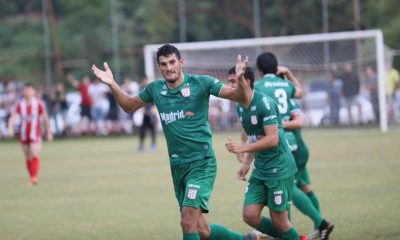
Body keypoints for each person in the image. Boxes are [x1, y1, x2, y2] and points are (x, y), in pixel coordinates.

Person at [92, 44, 260, 240]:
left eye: (172, 62)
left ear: (181, 62)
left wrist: (239, 80)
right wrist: (112, 84)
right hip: (178, 166)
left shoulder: (201, 83)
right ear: (159, 67)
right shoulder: (155, 89)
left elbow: (240, 96)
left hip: (201, 164)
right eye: (164, 64)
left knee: (187, 222)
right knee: (202, 231)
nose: (169, 68)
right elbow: (129, 106)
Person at [225, 67, 299, 240]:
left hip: (279, 168)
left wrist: (242, 148)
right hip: (261, 169)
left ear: (246, 82)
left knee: (279, 220)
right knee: (249, 215)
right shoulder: (240, 107)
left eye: (233, 81)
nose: (229, 85)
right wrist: (246, 163)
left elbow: (272, 139)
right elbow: (253, 136)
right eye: (228, 81)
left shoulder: (264, 103)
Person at [282, 98, 334, 240]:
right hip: (298, 148)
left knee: (288, 188)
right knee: (305, 187)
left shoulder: (271, 96)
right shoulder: (289, 94)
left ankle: (318, 223)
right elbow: (298, 90)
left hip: (293, 149)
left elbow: (299, 122)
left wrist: (281, 124)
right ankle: (319, 227)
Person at [7, 83, 53, 185]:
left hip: (35, 134)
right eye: (25, 90)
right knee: (28, 156)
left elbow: (45, 118)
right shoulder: (20, 104)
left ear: (33, 92)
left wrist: (49, 132)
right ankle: (32, 176)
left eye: (29, 89)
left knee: (34, 152)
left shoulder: (39, 103)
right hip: (23, 134)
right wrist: (10, 128)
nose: (27, 91)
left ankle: (34, 177)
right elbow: (13, 117)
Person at [137, 76, 158, 152]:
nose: (146, 81)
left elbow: (155, 102)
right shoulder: (141, 89)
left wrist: (153, 110)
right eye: (145, 80)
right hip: (144, 114)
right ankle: (141, 146)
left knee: (153, 130)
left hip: (151, 113)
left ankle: (153, 145)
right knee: (142, 131)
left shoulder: (152, 89)